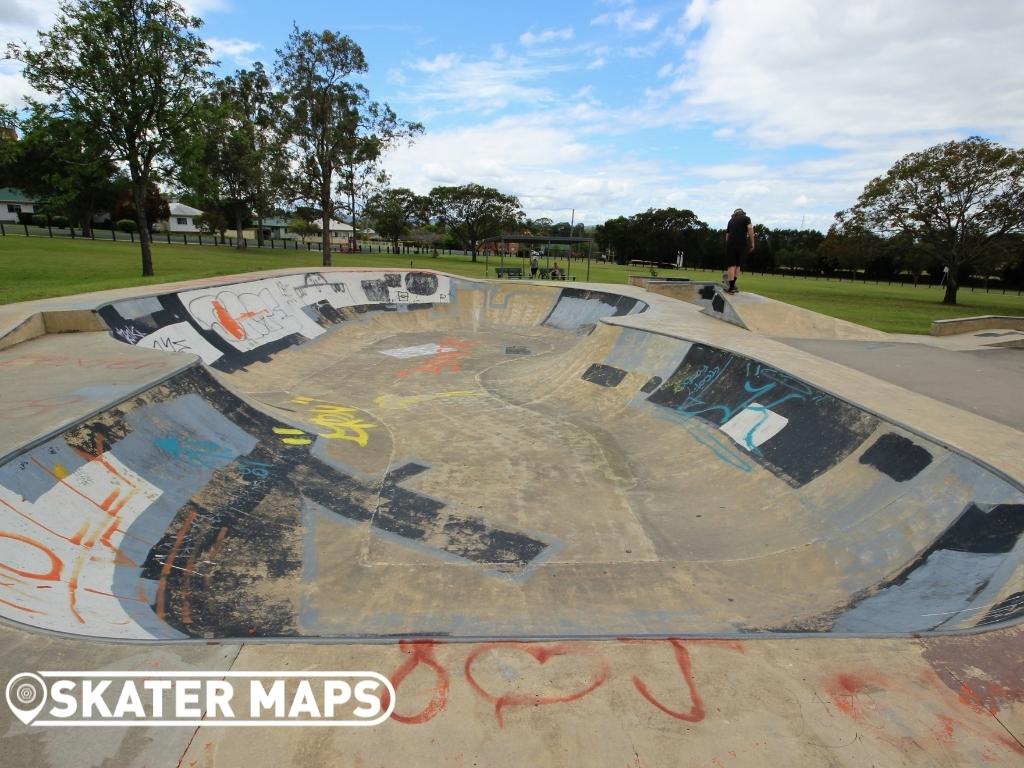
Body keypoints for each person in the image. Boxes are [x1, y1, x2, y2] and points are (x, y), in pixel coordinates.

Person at [724, 208, 754, 294]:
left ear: (734, 214)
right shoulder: (746, 218)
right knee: (738, 265)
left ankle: (731, 288)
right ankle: (732, 287)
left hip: (731, 243)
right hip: (742, 244)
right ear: (742, 213)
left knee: (731, 265)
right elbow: (750, 229)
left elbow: (727, 235)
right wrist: (752, 243)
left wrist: (728, 245)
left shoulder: (731, 221)